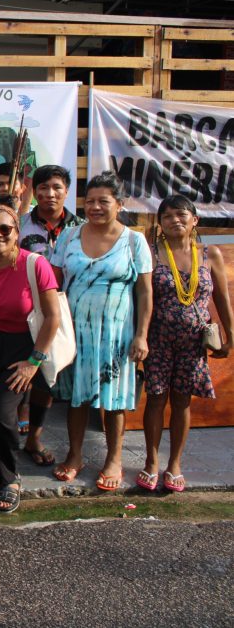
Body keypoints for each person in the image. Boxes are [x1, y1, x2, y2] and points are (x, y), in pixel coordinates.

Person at [51, 172, 152, 491]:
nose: (95, 207)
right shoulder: (68, 236)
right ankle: (75, 454)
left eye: (103, 201)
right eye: (89, 201)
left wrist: (141, 335)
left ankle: (114, 459)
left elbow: (145, 293)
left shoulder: (134, 241)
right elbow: (52, 281)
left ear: (119, 204)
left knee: (115, 400)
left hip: (117, 335)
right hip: (75, 332)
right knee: (76, 398)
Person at [0, 203, 60, 513]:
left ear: (17, 232)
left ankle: (10, 479)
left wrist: (34, 362)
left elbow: (53, 317)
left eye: (6, 229)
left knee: (1, 415)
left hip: (23, 348)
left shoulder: (35, 264)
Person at [140, 194, 233, 492]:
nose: (174, 220)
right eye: (167, 216)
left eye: (181, 214)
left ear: (195, 220)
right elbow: (142, 298)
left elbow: (222, 299)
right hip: (158, 340)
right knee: (155, 399)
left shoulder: (209, 254)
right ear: (160, 223)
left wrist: (230, 336)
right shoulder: (152, 253)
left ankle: (175, 463)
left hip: (193, 343)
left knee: (182, 400)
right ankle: (151, 462)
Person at [17, 164, 84, 461]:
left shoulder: (80, 228)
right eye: (43, 187)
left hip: (64, 313)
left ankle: (34, 438)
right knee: (17, 374)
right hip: (23, 311)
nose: (49, 194)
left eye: (56, 187)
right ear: (35, 191)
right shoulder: (19, 224)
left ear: (66, 191)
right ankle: (4, 441)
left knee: (47, 377)